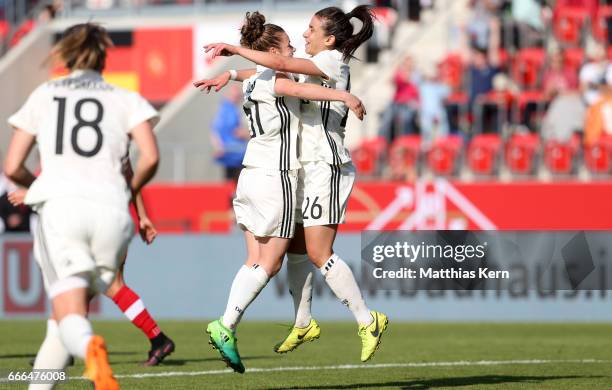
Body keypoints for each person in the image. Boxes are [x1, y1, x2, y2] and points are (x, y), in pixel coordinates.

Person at [201, 4, 388, 366]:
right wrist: (233, 74)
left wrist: (235, 54)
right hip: (303, 167)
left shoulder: (332, 61)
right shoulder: (311, 62)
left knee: (318, 252)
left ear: (329, 39)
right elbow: (271, 73)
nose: (304, 35)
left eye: (310, 29)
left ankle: (368, 321)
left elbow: (281, 70)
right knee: (297, 248)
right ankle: (303, 322)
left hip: (326, 165)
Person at [3, 23, 160, 389]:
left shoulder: (45, 94)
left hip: (62, 214)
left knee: (69, 315)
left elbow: (12, 167)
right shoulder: (124, 97)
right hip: (113, 212)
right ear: (103, 57)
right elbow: (150, 157)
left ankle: (91, 348)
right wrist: (129, 190)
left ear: (66, 55)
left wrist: (43, 186)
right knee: (62, 319)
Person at [211, 85, 249, 183]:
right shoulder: (227, 109)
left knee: (233, 182)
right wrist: (218, 146)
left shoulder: (229, 109)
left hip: (234, 152)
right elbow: (216, 130)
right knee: (237, 183)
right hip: (233, 153)